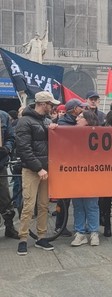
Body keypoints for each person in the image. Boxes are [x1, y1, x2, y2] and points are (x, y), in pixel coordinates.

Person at [15, 91, 60, 255]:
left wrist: (54, 129)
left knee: (43, 205)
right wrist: (38, 168)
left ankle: (41, 236)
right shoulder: (24, 122)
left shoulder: (47, 121)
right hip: (33, 170)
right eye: (50, 104)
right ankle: (23, 238)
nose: (52, 107)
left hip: (45, 169)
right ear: (43, 104)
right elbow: (23, 148)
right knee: (28, 205)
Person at [54, 98, 87, 237]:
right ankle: (59, 226)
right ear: (74, 109)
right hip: (65, 166)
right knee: (64, 199)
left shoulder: (73, 121)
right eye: (81, 107)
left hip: (76, 165)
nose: (83, 109)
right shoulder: (63, 124)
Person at [71, 110, 100, 246]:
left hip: (92, 175)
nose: (77, 119)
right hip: (75, 174)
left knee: (91, 205)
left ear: (88, 120)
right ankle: (80, 233)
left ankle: (94, 232)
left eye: (80, 117)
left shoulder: (98, 135)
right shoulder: (71, 133)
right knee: (78, 205)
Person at [0, 110, 19, 239]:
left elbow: (11, 137)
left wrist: (6, 149)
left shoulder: (3, 116)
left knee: (5, 197)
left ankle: (9, 227)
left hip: (0, 164)